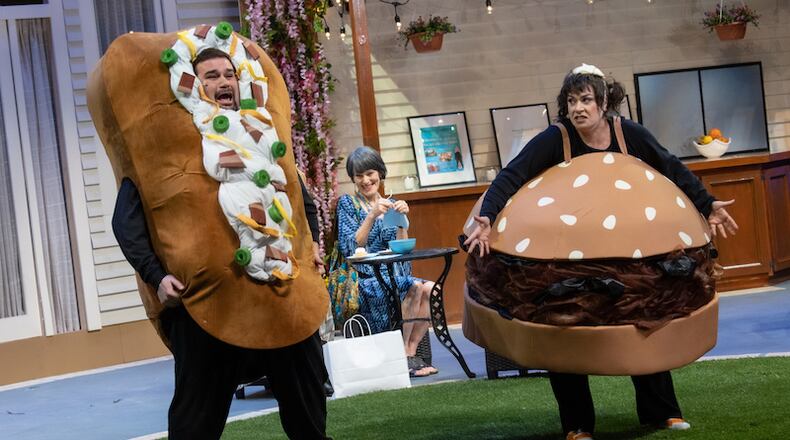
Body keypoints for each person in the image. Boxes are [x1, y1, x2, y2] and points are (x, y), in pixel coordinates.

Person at [464, 63, 738, 440]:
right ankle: (577, 425)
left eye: (586, 100)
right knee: (563, 330)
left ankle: (662, 412)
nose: (578, 108)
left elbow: (670, 166)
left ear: (603, 102)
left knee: (645, 320)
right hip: (567, 260)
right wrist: (488, 216)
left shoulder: (628, 133)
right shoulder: (556, 138)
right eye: (571, 101)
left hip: (633, 256)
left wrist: (707, 205)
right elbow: (514, 173)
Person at [112, 48, 330, 440]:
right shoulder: (166, 146)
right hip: (208, 301)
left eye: (229, 74)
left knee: (307, 401)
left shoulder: (261, 134)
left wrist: (311, 245)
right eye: (211, 76)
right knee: (197, 416)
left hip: (279, 290)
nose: (224, 82)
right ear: (192, 85)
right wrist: (156, 276)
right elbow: (126, 221)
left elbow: (302, 200)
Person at [334, 146, 438, 377]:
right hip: (364, 278)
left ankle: (409, 351)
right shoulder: (348, 204)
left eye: (369, 173)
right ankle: (404, 357)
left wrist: (402, 221)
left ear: (380, 173)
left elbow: (401, 248)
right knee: (413, 286)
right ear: (352, 178)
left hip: (393, 274)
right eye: (359, 175)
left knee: (431, 288)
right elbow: (351, 246)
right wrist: (372, 215)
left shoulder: (391, 203)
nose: (365, 180)